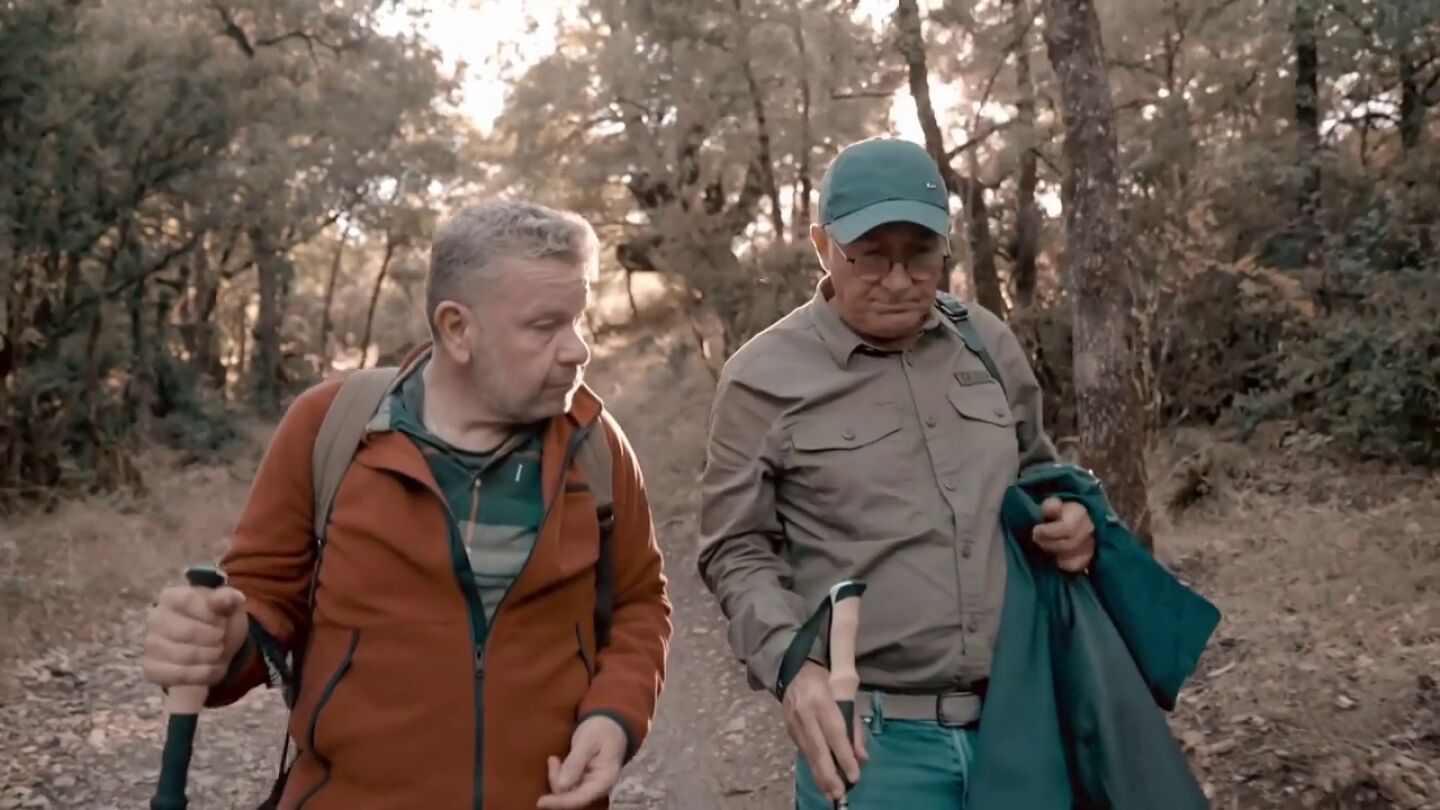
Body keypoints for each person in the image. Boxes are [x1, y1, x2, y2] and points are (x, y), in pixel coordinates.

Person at [141, 199, 672, 809]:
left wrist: (614, 716)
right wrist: (215, 641)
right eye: (544, 326)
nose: (577, 350)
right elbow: (262, 603)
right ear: (458, 328)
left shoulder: (596, 446)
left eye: (579, 321)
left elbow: (639, 603)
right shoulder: (332, 429)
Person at [697, 137, 1096, 808]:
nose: (900, 279)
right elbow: (735, 548)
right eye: (872, 255)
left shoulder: (987, 344)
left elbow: (1037, 476)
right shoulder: (760, 380)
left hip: (1023, 721)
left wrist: (1072, 523)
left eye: (921, 254)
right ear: (823, 247)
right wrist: (793, 665)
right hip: (872, 747)